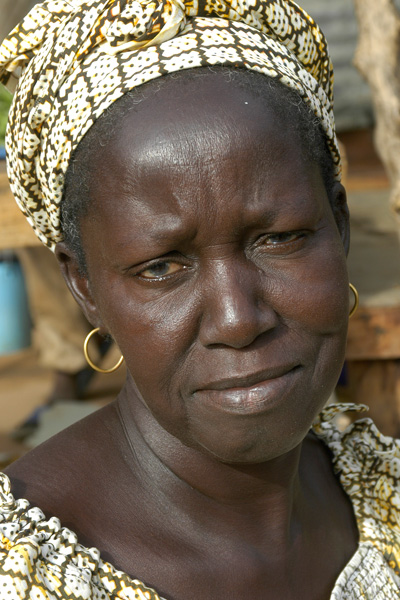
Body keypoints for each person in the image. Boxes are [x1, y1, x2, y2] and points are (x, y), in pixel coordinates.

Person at [0, 1, 398, 598]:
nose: (238, 320)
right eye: (161, 267)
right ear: (84, 285)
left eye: (279, 239)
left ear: (338, 227)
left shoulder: (381, 493)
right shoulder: (27, 576)